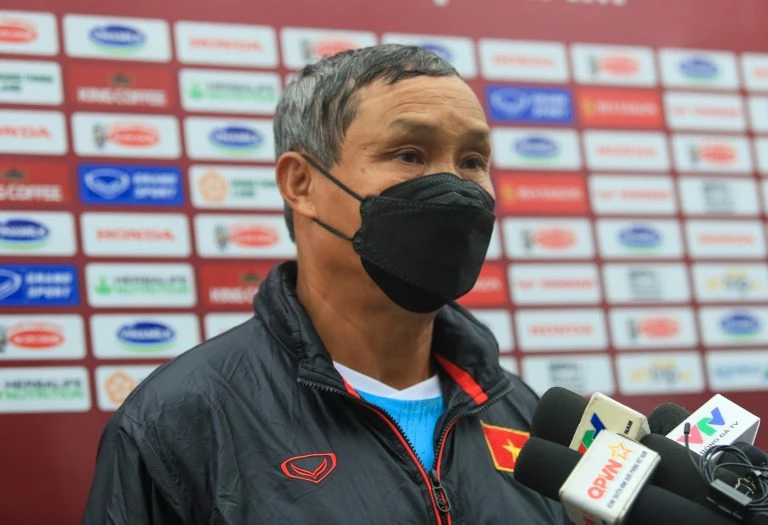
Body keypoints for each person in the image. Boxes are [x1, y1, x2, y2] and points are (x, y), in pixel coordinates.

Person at [82, 44, 569, 525]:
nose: (455, 188)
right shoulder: (178, 424)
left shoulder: (519, 414)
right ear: (301, 183)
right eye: (409, 154)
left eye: (473, 160)